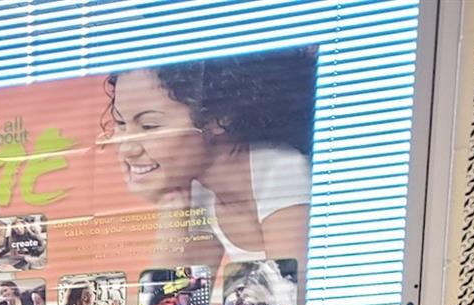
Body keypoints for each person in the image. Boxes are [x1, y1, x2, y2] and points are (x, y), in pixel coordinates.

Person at [104, 48, 316, 268]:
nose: (127, 149)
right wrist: (170, 204)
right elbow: (170, 301)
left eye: (149, 126)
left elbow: (287, 299)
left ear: (217, 116)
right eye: (120, 123)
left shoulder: (283, 174)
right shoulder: (199, 192)